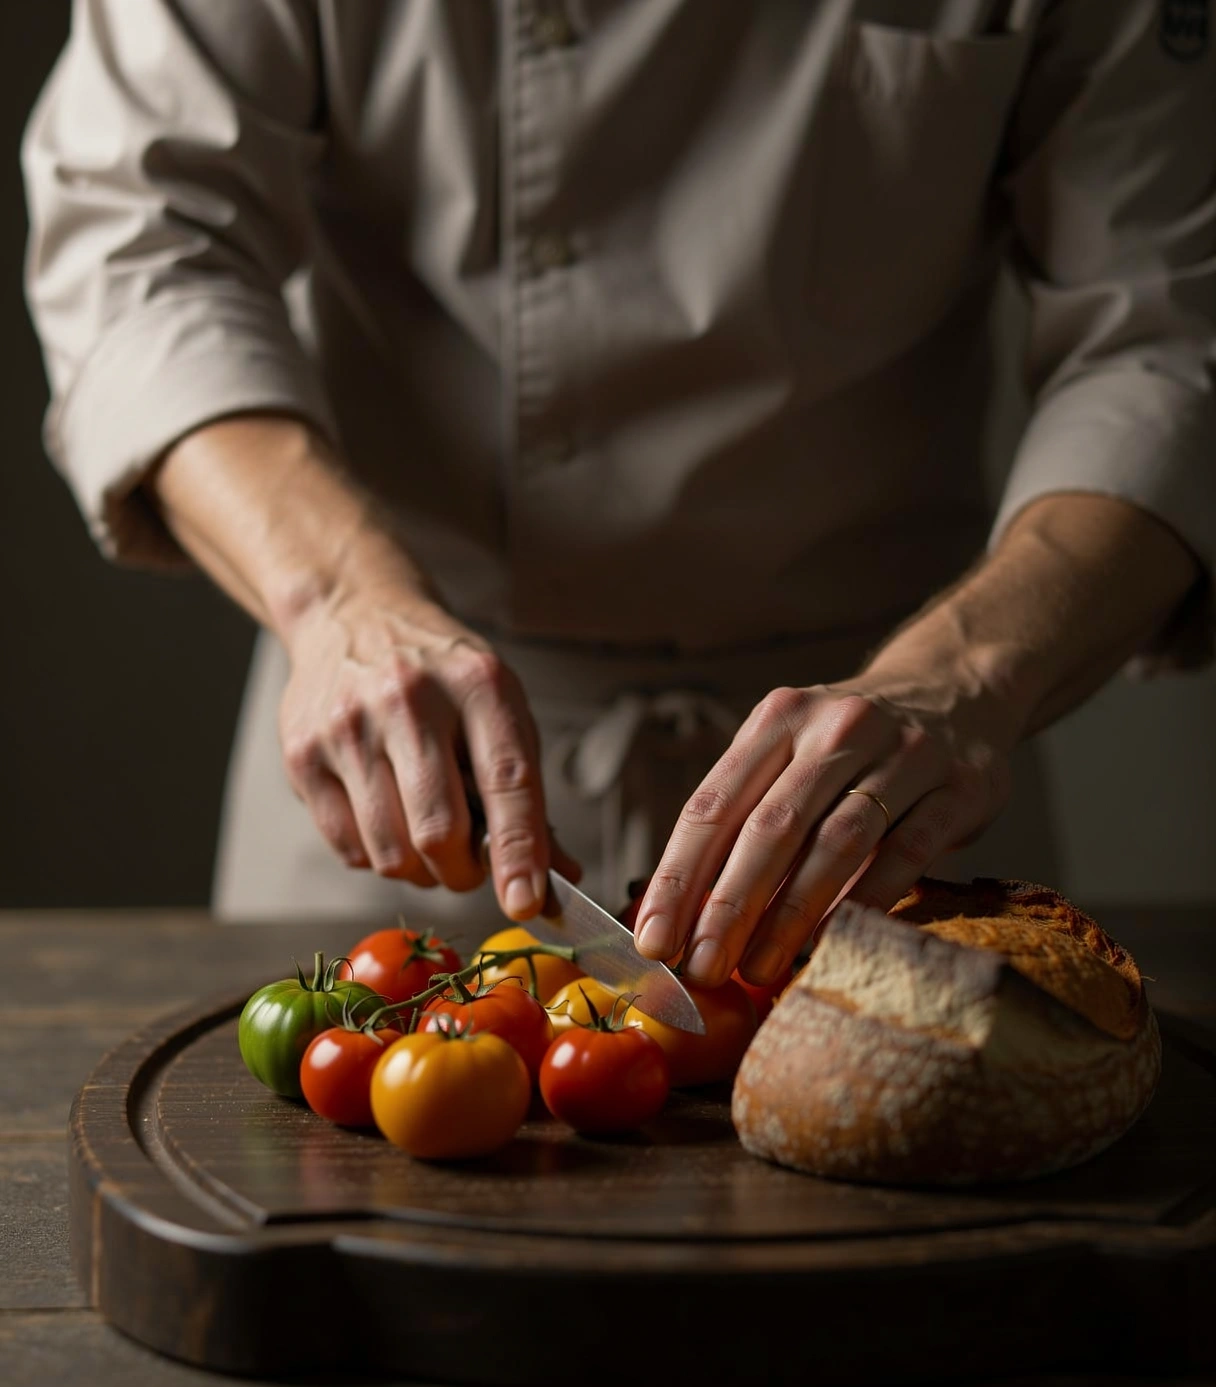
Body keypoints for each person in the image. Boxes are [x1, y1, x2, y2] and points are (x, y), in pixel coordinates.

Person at [23, 1, 1214, 992]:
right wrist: (339, 601)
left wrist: (964, 680)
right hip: (408, 756)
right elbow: (139, 244)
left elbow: (1168, 332)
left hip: (894, 781)